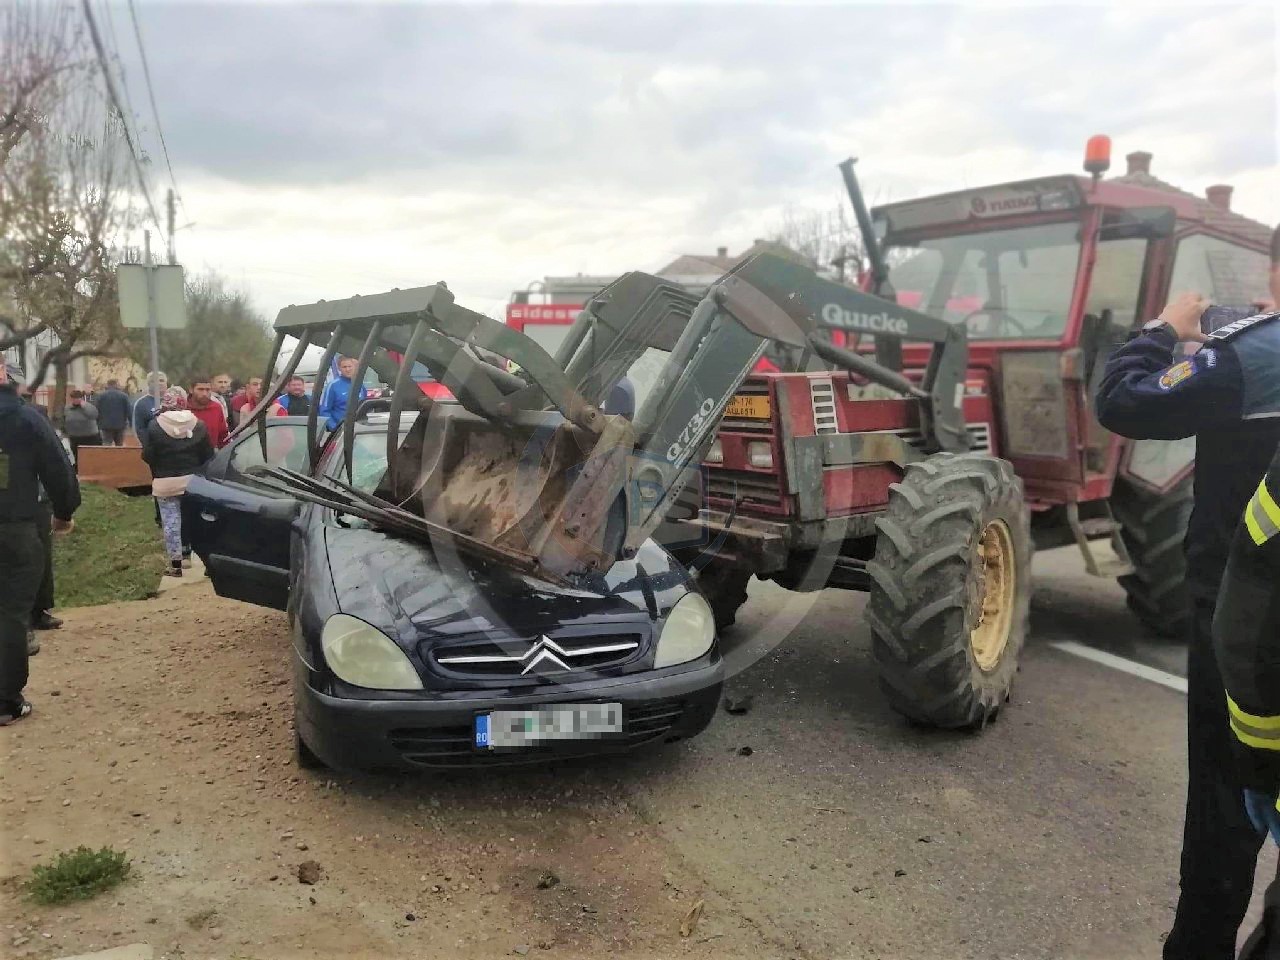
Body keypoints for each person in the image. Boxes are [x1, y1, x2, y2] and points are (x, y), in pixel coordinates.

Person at [1095, 225, 1280, 960]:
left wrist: (1162, 331)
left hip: (1246, 624)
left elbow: (1124, 402)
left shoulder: (1256, 355)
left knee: (1222, 810)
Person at [0, 361, 79, 725]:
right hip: (14, 528)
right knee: (11, 613)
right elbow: (58, 468)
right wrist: (63, 511)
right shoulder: (25, 419)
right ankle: (5, 700)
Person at [140, 387, 213, 578]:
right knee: (197, 523)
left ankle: (176, 565)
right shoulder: (199, 425)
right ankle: (208, 564)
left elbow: (148, 455)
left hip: (166, 483)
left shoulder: (154, 426)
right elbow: (208, 455)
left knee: (171, 523)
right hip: (194, 483)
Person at [318, 356, 366, 432]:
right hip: (340, 431)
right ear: (339, 368)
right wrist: (334, 428)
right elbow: (324, 411)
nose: (347, 369)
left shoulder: (360, 385)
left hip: (358, 430)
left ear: (355, 367)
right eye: (344, 367)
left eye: (350, 366)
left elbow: (364, 408)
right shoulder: (332, 386)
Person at [188, 376, 230, 449]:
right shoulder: (183, 409)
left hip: (211, 455)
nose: (204, 393)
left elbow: (223, 435)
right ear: (191, 390)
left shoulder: (216, 408)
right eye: (200, 389)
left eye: (208, 390)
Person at [63, 389, 100, 463]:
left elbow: (94, 415)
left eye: (77, 398)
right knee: (77, 456)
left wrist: (84, 406)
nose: (75, 400)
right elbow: (65, 419)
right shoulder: (68, 408)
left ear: (81, 398)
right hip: (74, 437)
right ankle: (78, 470)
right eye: (73, 398)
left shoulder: (88, 406)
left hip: (90, 436)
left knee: (90, 456)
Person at [132, 371, 168, 445]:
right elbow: (139, 428)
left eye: (162, 381)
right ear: (148, 384)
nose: (159, 383)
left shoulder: (174, 401)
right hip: (152, 447)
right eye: (154, 381)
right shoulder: (141, 403)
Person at [95, 379, 131, 446]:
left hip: (105, 425)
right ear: (116, 385)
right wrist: (129, 423)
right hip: (120, 425)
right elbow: (128, 410)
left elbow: (96, 410)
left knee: (106, 444)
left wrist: (98, 423)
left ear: (107, 385)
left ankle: (107, 456)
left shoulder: (101, 396)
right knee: (119, 444)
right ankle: (119, 456)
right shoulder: (124, 396)